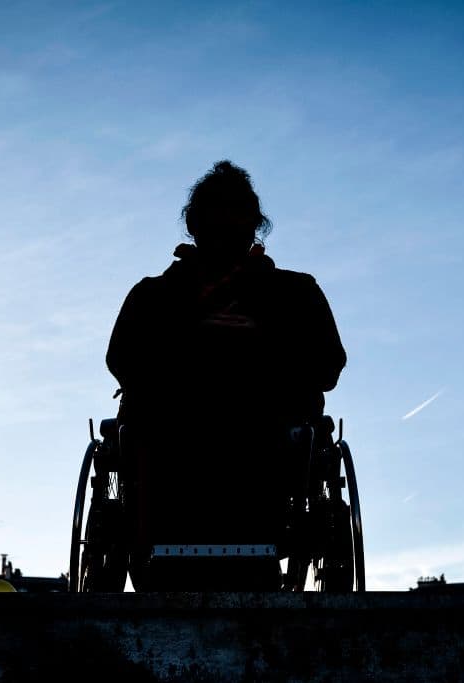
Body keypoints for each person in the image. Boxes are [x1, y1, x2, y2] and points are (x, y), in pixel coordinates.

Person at [106, 160, 346, 590]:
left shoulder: (295, 293)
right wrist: (192, 343)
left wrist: (261, 341)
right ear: (196, 227)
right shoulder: (153, 296)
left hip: (264, 436)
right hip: (173, 438)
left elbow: (328, 365)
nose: (224, 228)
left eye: (232, 216)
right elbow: (121, 360)